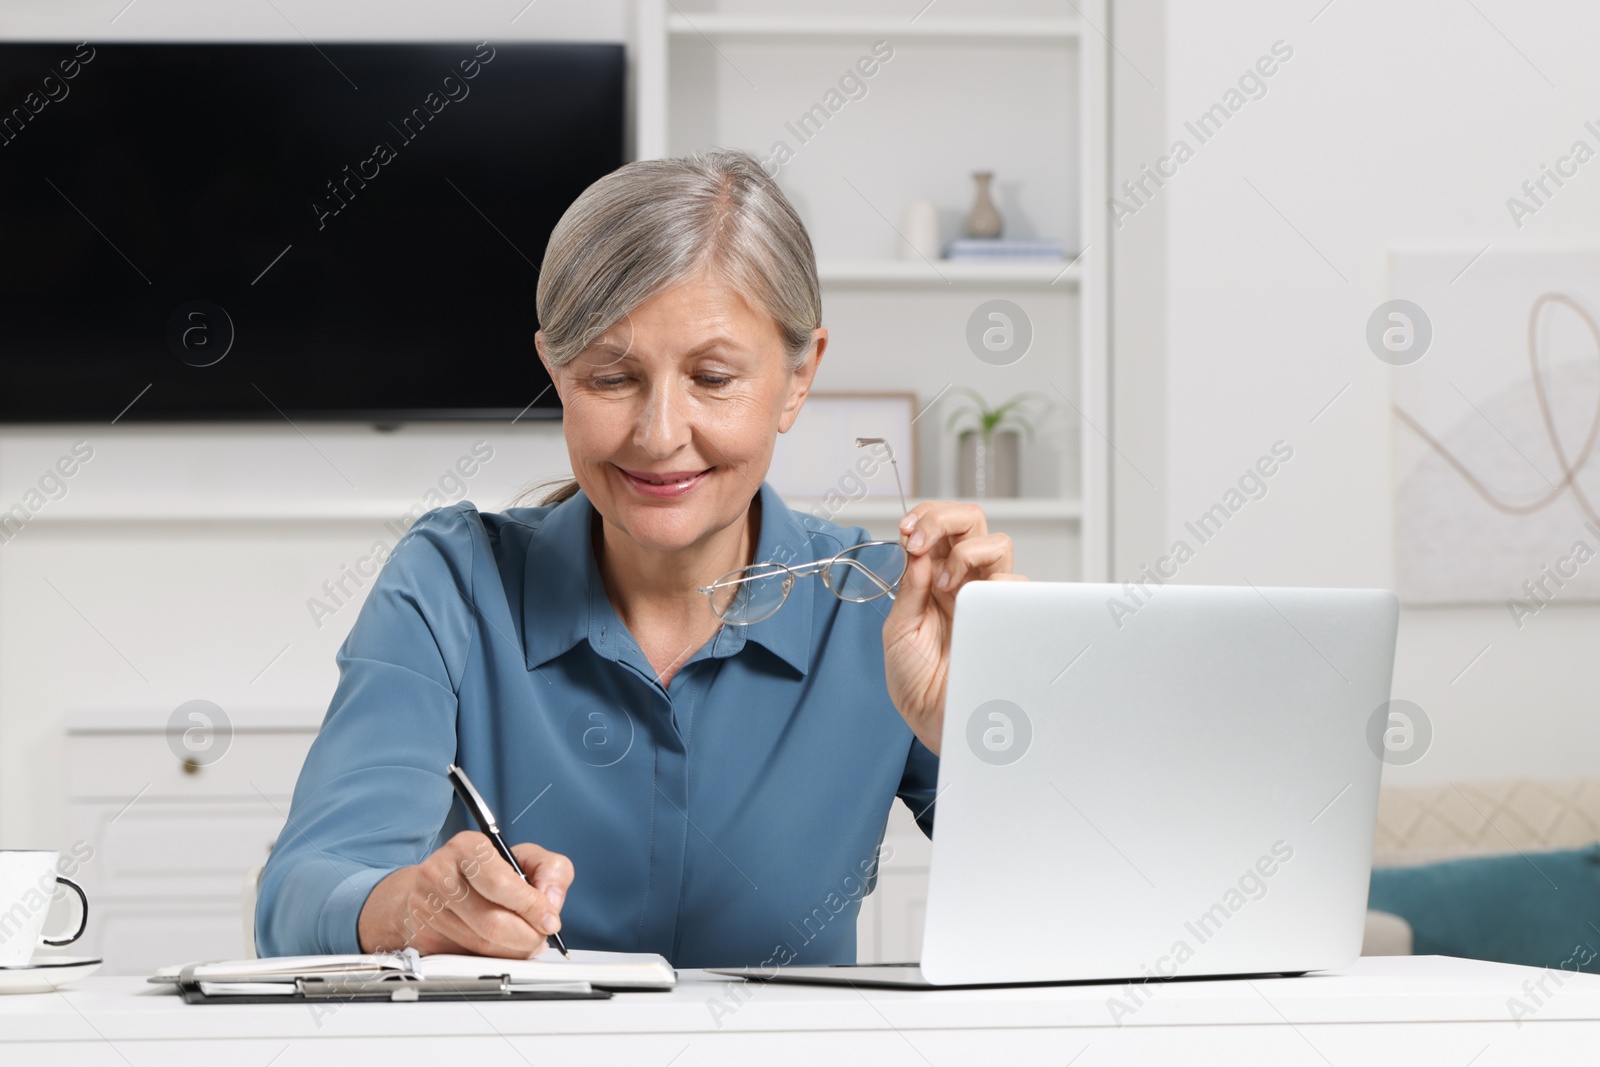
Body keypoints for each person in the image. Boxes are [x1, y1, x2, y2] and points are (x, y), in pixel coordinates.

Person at [255, 148, 1025, 968]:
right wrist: (405, 906)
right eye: (612, 377)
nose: (660, 436)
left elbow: (1091, 901)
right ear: (557, 371)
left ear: (799, 377)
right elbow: (300, 897)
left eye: (713, 376)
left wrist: (984, 727)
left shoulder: (886, 608)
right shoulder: (451, 584)